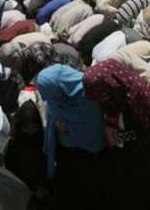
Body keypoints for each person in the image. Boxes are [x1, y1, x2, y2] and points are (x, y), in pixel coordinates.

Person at [82, 59, 150, 210]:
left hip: (136, 155)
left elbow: (148, 129)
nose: (101, 101)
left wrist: (121, 137)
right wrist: (106, 130)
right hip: (116, 154)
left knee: (134, 195)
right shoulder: (106, 92)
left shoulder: (134, 95)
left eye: (101, 96)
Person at [36, 64, 107, 210]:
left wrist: (67, 125)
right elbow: (52, 109)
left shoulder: (85, 92)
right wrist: (56, 121)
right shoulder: (54, 94)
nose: (53, 99)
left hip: (85, 153)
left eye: (53, 95)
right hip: (64, 151)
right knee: (68, 189)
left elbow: (92, 122)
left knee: (85, 191)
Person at [0, 41, 76, 85]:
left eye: (11, 66)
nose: (12, 69)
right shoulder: (22, 63)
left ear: (16, 59)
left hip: (69, 70)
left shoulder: (36, 55)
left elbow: (53, 77)